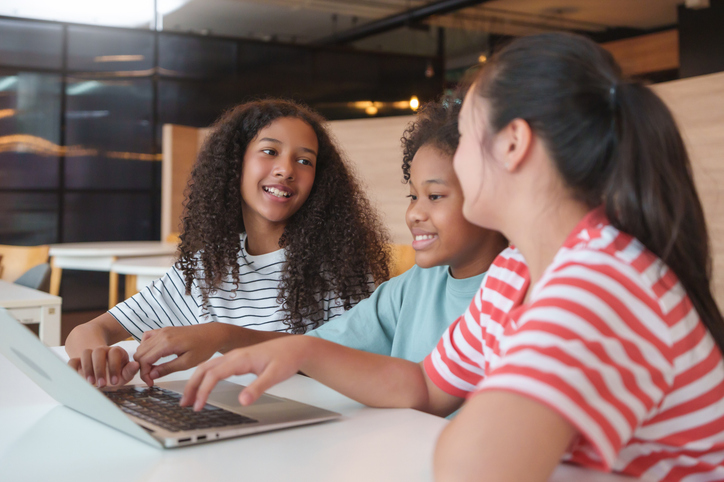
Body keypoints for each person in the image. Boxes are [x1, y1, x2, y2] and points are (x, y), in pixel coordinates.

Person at [181, 33, 724, 481]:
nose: (457, 159)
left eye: (464, 138)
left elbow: (474, 468)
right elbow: (426, 387)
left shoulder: (600, 282)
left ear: (512, 144)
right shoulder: (516, 272)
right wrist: (301, 349)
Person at [65, 99, 390, 389]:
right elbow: (87, 331)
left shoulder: (340, 266)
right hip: (223, 425)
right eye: (270, 151)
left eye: (305, 161)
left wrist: (223, 335)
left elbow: (351, 364)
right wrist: (99, 360)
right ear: (235, 163)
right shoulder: (208, 265)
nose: (286, 170)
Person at [306, 95, 508, 361]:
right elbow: (313, 349)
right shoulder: (416, 284)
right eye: (413, 197)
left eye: (434, 196)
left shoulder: (520, 291)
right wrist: (235, 340)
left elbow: (428, 390)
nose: (414, 213)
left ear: (489, 196)